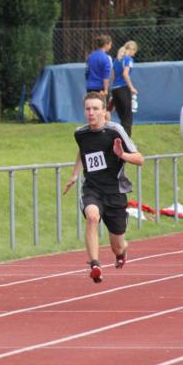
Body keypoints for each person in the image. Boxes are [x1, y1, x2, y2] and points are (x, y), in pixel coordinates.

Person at [64, 92, 143, 284]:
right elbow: (83, 151)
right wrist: (75, 174)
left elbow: (140, 159)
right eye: (87, 109)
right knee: (92, 217)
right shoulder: (80, 134)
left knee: (117, 246)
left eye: (95, 109)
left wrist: (122, 155)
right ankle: (95, 265)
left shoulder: (115, 131)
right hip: (92, 189)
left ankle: (122, 251)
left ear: (103, 111)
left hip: (115, 192)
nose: (91, 113)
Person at [110, 40, 138, 135]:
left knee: (122, 118)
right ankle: (127, 141)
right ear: (132, 49)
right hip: (123, 89)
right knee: (127, 118)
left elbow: (112, 75)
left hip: (115, 89)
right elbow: (125, 74)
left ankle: (121, 139)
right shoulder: (128, 59)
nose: (134, 53)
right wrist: (131, 88)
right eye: (134, 51)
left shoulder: (116, 60)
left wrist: (112, 89)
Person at [85, 35, 113, 100]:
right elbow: (106, 76)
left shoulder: (90, 56)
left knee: (91, 104)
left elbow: (87, 73)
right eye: (110, 45)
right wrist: (106, 90)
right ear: (106, 44)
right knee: (101, 105)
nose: (110, 47)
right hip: (100, 89)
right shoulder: (106, 58)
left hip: (90, 88)